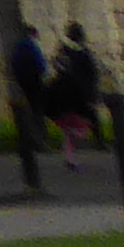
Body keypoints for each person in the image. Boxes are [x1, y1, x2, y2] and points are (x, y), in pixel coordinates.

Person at [41, 25, 104, 172]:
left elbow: (58, 65)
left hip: (68, 94)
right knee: (84, 122)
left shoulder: (66, 51)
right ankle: (94, 141)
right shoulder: (82, 54)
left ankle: (71, 158)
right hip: (77, 94)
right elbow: (92, 74)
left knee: (70, 129)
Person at [4, 19, 54, 171]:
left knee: (29, 111)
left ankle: (29, 141)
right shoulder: (32, 46)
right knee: (38, 111)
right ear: (33, 34)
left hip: (24, 83)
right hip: (35, 82)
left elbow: (13, 65)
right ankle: (40, 141)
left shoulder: (18, 47)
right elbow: (41, 64)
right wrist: (47, 77)